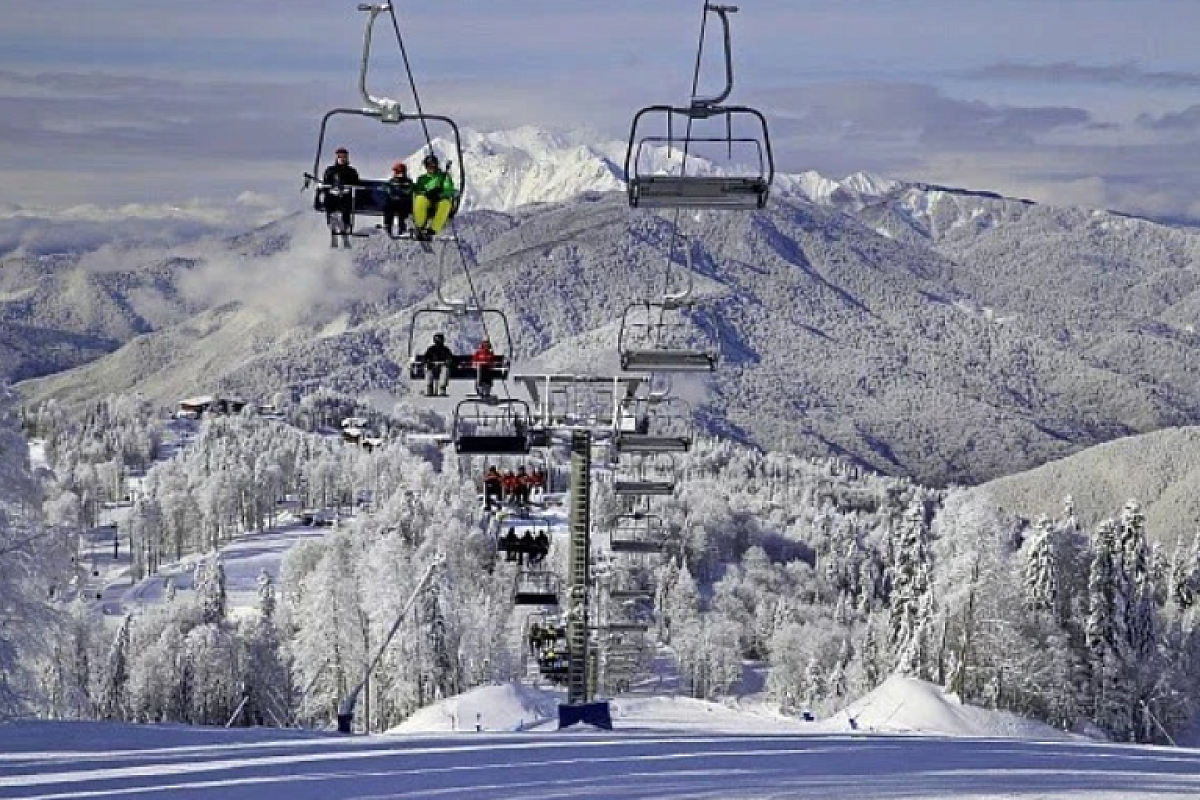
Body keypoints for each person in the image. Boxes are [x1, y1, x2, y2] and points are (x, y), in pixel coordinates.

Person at [412, 153, 457, 240]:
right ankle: (420, 226)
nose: (431, 167)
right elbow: (418, 191)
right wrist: (426, 193)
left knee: (446, 203)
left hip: (439, 201)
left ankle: (433, 230)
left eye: (433, 165)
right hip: (426, 200)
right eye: (428, 165)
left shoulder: (444, 177)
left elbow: (449, 189)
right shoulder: (422, 179)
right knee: (420, 199)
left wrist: (440, 194)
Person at [321, 147, 360, 242]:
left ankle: (346, 224)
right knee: (329, 202)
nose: (342, 159)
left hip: (347, 195)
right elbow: (326, 183)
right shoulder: (331, 170)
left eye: (344, 157)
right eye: (340, 157)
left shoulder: (351, 171)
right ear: (337, 158)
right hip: (333, 195)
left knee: (346, 205)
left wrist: (348, 189)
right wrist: (331, 189)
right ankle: (332, 222)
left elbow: (356, 183)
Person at [382, 161, 413, 237]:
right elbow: (386, 187)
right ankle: (387, 226)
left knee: (404, 208)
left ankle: (402, 227)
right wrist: (389, 191)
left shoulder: (407, 182)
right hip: (393, 203)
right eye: (395, 172)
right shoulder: (392, 181)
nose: (396, 174)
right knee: (388, 206)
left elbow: (409, 190)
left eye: (398, 172)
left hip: (404, 203)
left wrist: (401, 193)